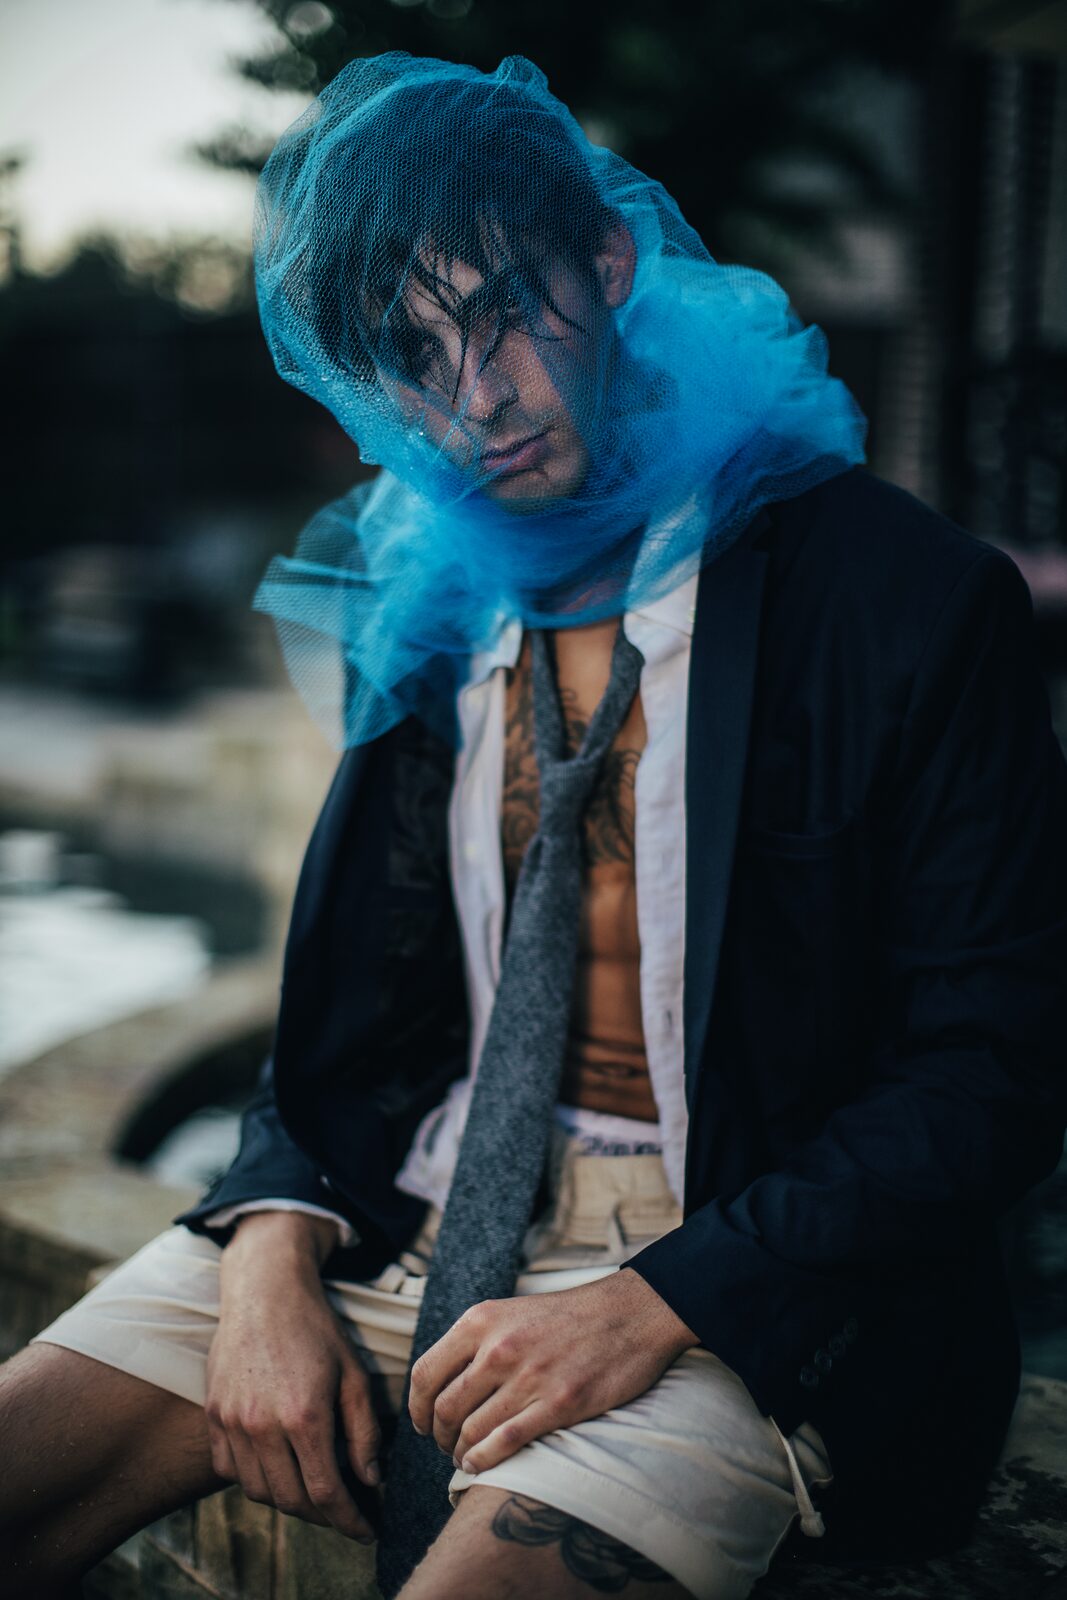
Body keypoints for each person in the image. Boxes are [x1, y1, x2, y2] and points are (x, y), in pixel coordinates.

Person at [2, 51, 1066, 1600]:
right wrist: (268, 1252)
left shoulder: (899, 601)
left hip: (741, 1273)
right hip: (405, 1199)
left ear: (609, 262)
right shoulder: (430, 604)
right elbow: (346, 1023)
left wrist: (657, 1302)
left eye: (502, 311)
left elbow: (996, 1072)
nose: (473, 398)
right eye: (408, 354)